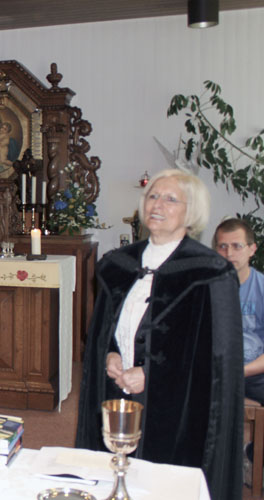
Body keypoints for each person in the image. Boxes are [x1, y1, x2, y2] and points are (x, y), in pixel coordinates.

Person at [75, 168, 243, 500]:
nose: (157, 205)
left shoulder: (211, 272)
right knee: (113, 474)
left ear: (190, 212)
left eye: (170, 199)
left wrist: (151, 374)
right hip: (117, 391)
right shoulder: (118, 264)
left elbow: (214, 359)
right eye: (153, 196)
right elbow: (104, 328)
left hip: (177, 408)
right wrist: (109, 353)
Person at [214, 219, 264, 400]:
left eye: (237, 246)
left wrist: (240, 371)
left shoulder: (261, 288)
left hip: (255, 374)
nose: (229, 254)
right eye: (223, 246)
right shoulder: (205, 288)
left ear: (252, 249)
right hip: (214, 373)